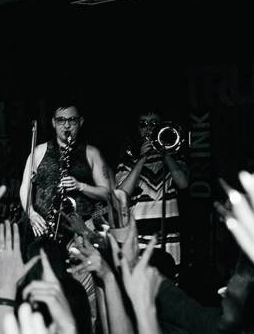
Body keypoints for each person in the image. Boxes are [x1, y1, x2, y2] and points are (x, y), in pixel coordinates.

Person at [19, 103, 112, 244]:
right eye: (61, 120)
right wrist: (31, 213)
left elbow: (107, 193)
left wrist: (80, 186)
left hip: (80, 234)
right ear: (53, 122)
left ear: (80, 122)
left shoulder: (92, 153)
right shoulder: (38, 151)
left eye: (72, 120)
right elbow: (25, 187)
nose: (66, 125)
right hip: (43, 231)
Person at [115, 111, 190, 264]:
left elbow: (183, 183)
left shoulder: (175, 159)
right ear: (138, 129)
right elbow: (122, 193)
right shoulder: (128, 162)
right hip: (138, 239)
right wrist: (142, 158)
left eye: (154, 123)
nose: (148, 128)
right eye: (143, 124)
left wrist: (165, 153)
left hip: (169, 240)